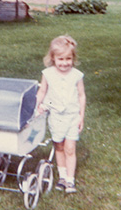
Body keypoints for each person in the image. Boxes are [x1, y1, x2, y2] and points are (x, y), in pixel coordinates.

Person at [36, 35, 86, 194]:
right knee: (59, 146)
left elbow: (81, 95)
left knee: (70, 148)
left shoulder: (76, 75)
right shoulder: (48, 74)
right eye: (61, 59)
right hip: (55, 116)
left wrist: (81, 116)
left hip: (72, 117)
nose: (65, 63)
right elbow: (42, 90)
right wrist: (37, 105)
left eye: (68, 59)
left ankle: (70, 180)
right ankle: (62, 177)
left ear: (73, 58)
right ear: (53, 58)